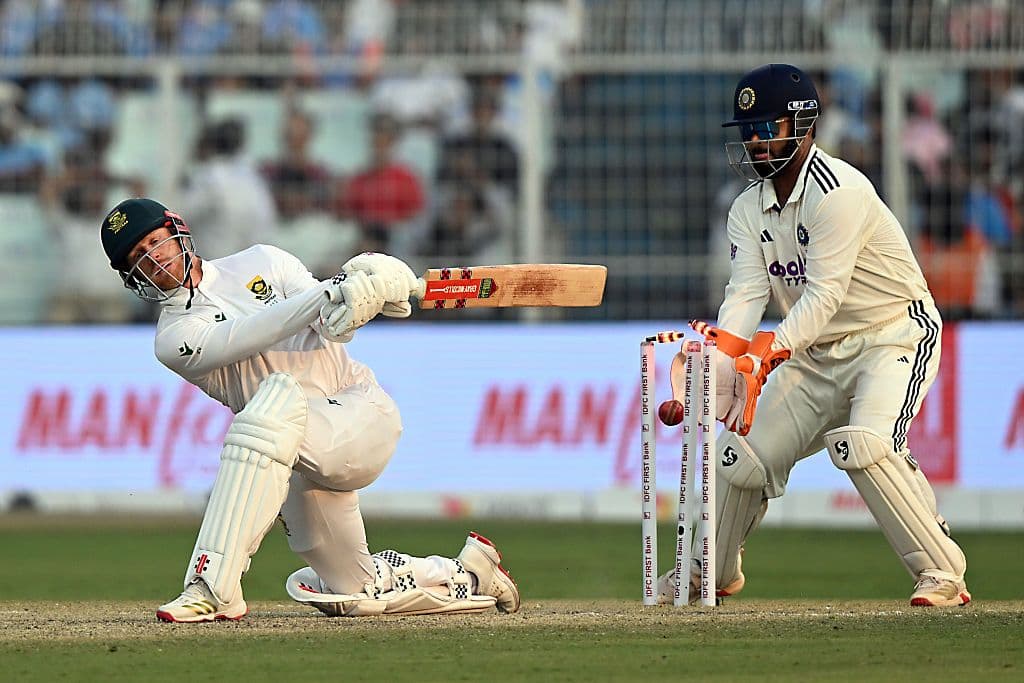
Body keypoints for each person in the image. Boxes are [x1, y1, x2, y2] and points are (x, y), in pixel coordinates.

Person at [98, 197, 520, 622]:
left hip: (358, 414)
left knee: (274, 401)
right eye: (138, 257)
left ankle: (212, 587)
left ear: (177, 232)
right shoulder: (174, 339)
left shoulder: (264, 259)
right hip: (291, 456)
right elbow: (254, 331)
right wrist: (333, 288)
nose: (153, 258)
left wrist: (366, 291)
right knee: (355, 592)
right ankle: (469, 573)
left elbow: (332, 325)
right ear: (130, 277)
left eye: (155, 241)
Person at [658, 64, 970, 607]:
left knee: (864, 445)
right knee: (739, 457)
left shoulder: (840, 191)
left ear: (803, 125)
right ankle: (705, 573)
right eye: (747, 131)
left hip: (892, 333)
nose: (755, 143)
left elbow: (824, 295)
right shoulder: (745, 209)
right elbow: (747, 297)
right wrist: (722, 356)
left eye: (766, 128)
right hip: (814, 352)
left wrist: (767, 352)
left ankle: (942, 571)